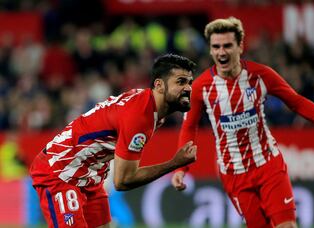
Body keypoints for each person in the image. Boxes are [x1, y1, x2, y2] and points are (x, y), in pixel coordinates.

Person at [171, 17, 314, 228]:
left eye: (228, 45)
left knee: (287, 226)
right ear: (210, 50)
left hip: (268, 165)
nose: (221, 52)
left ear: (240, 46)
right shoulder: (201, 87)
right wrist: (181, 169)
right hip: (234, 173)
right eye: (216, 46)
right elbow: (189, 127)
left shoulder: (261, 75)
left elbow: (296, 102)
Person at [30, 53, 198, 228]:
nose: (188, 88)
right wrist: (175, 163)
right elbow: (123, 181)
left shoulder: (151, 108)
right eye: (180, 82)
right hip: (60, 171)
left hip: (90, 175)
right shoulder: (140, 116)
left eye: (190, 82)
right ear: (159, 85)